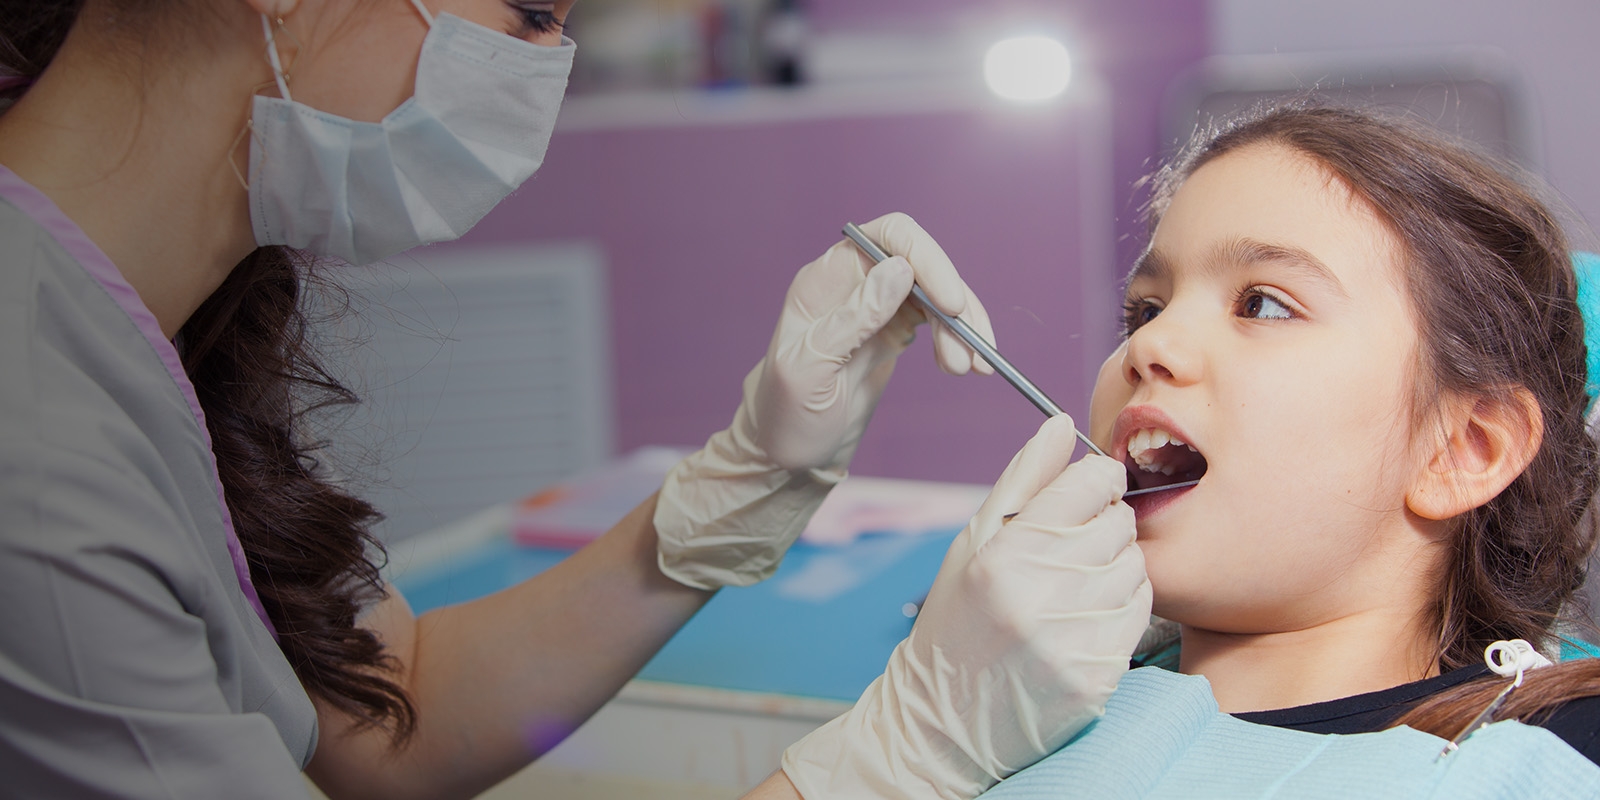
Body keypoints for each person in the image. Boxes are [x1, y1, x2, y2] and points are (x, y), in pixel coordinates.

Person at [0, 1, 1151, 798]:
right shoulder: (36, 464)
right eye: (532, 10)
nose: (544, 62)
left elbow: (387, 719)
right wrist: (895, 757)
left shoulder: (146, 324)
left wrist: (746, 478)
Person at [940, 102, 1600, 796]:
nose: (1149, 346)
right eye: (1146, 309)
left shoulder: (1557, 752)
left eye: (1263, 304)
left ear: (1464, 449)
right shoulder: (993, 717)